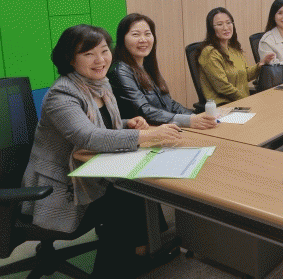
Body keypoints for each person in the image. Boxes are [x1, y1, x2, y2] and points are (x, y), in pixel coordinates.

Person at [21, 25, 182, 277]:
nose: (100, 60)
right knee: (125, 194)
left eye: (104, 51)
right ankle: (117, 266)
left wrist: (127, 123)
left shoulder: (100, 84)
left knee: (133, 185)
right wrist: (147, 135)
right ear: (70, 59)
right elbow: (88, 136)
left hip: (87, 170)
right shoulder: (61, 94)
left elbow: (100, 125)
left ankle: (141, 250)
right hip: (58, 187)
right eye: (88, 54)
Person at [109, 13, 217, 129]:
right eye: (136, 34)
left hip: (164, 127)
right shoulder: (120, 70)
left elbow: (170, 104)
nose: (143, 39)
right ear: (122, 39)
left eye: (147, 34)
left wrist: (195, 116)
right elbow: (144, 110)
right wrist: (188, 120)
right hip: (144, 132)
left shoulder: (146, 66)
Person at [198, 7, 275, 105]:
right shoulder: (209, 53)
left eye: (228, 23)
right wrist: (248, 100)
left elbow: (245, 75)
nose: (226, 28)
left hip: (241, 103)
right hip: (224, 106)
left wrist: (261, 64)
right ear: (211, 29)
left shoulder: (234, 48)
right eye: (220, 24)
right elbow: (223, 87)